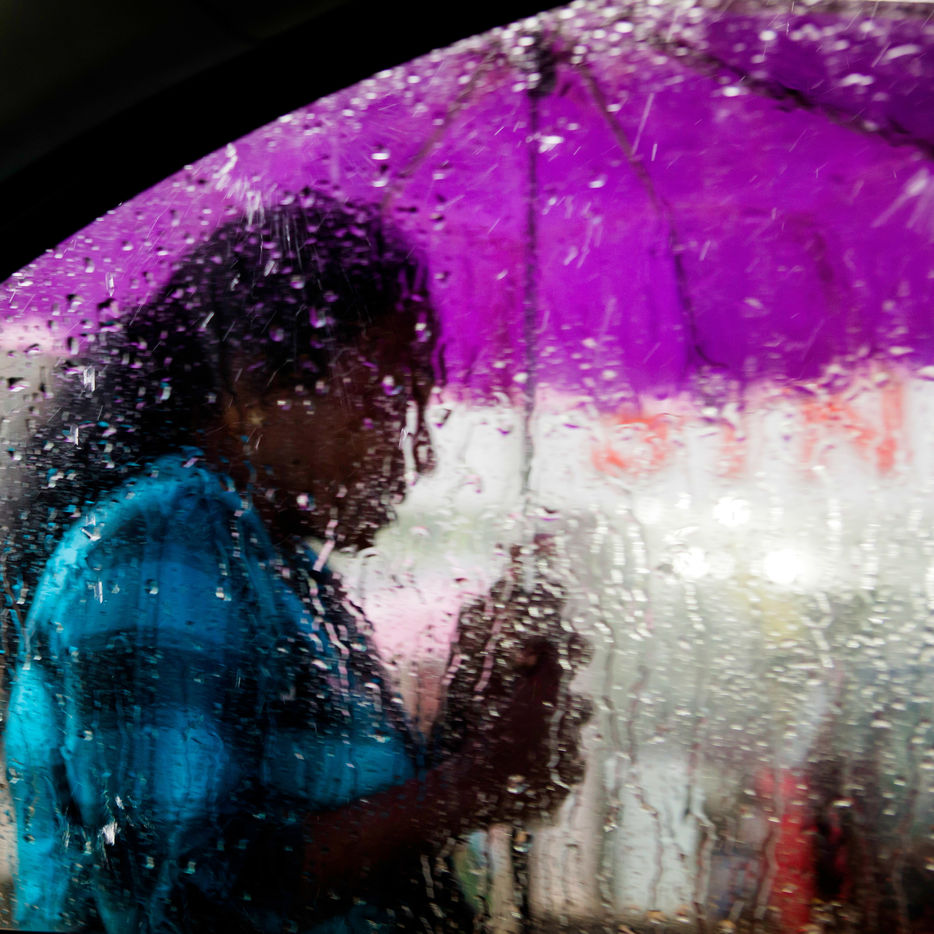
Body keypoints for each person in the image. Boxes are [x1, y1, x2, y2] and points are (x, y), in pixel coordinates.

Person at [2, 193, 585, 933]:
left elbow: (341, 844)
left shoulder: (274, 566)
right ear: (255, 383)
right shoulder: (164, 544)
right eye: (389, 398)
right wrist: (470, 786)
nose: (418, 450)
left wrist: (468, 716)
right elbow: (180, 899)